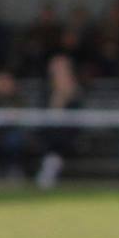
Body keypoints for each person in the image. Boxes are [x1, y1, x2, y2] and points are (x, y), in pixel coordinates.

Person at [35, 53, 84, 189]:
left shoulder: (77, 94)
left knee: (60, 137)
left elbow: (78, 121)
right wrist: (58, 98)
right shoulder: (46, 91)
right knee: (51, 135)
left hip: (69, 135)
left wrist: (66, 96)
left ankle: (50, 168)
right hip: (49, 135)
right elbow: (44, 117)